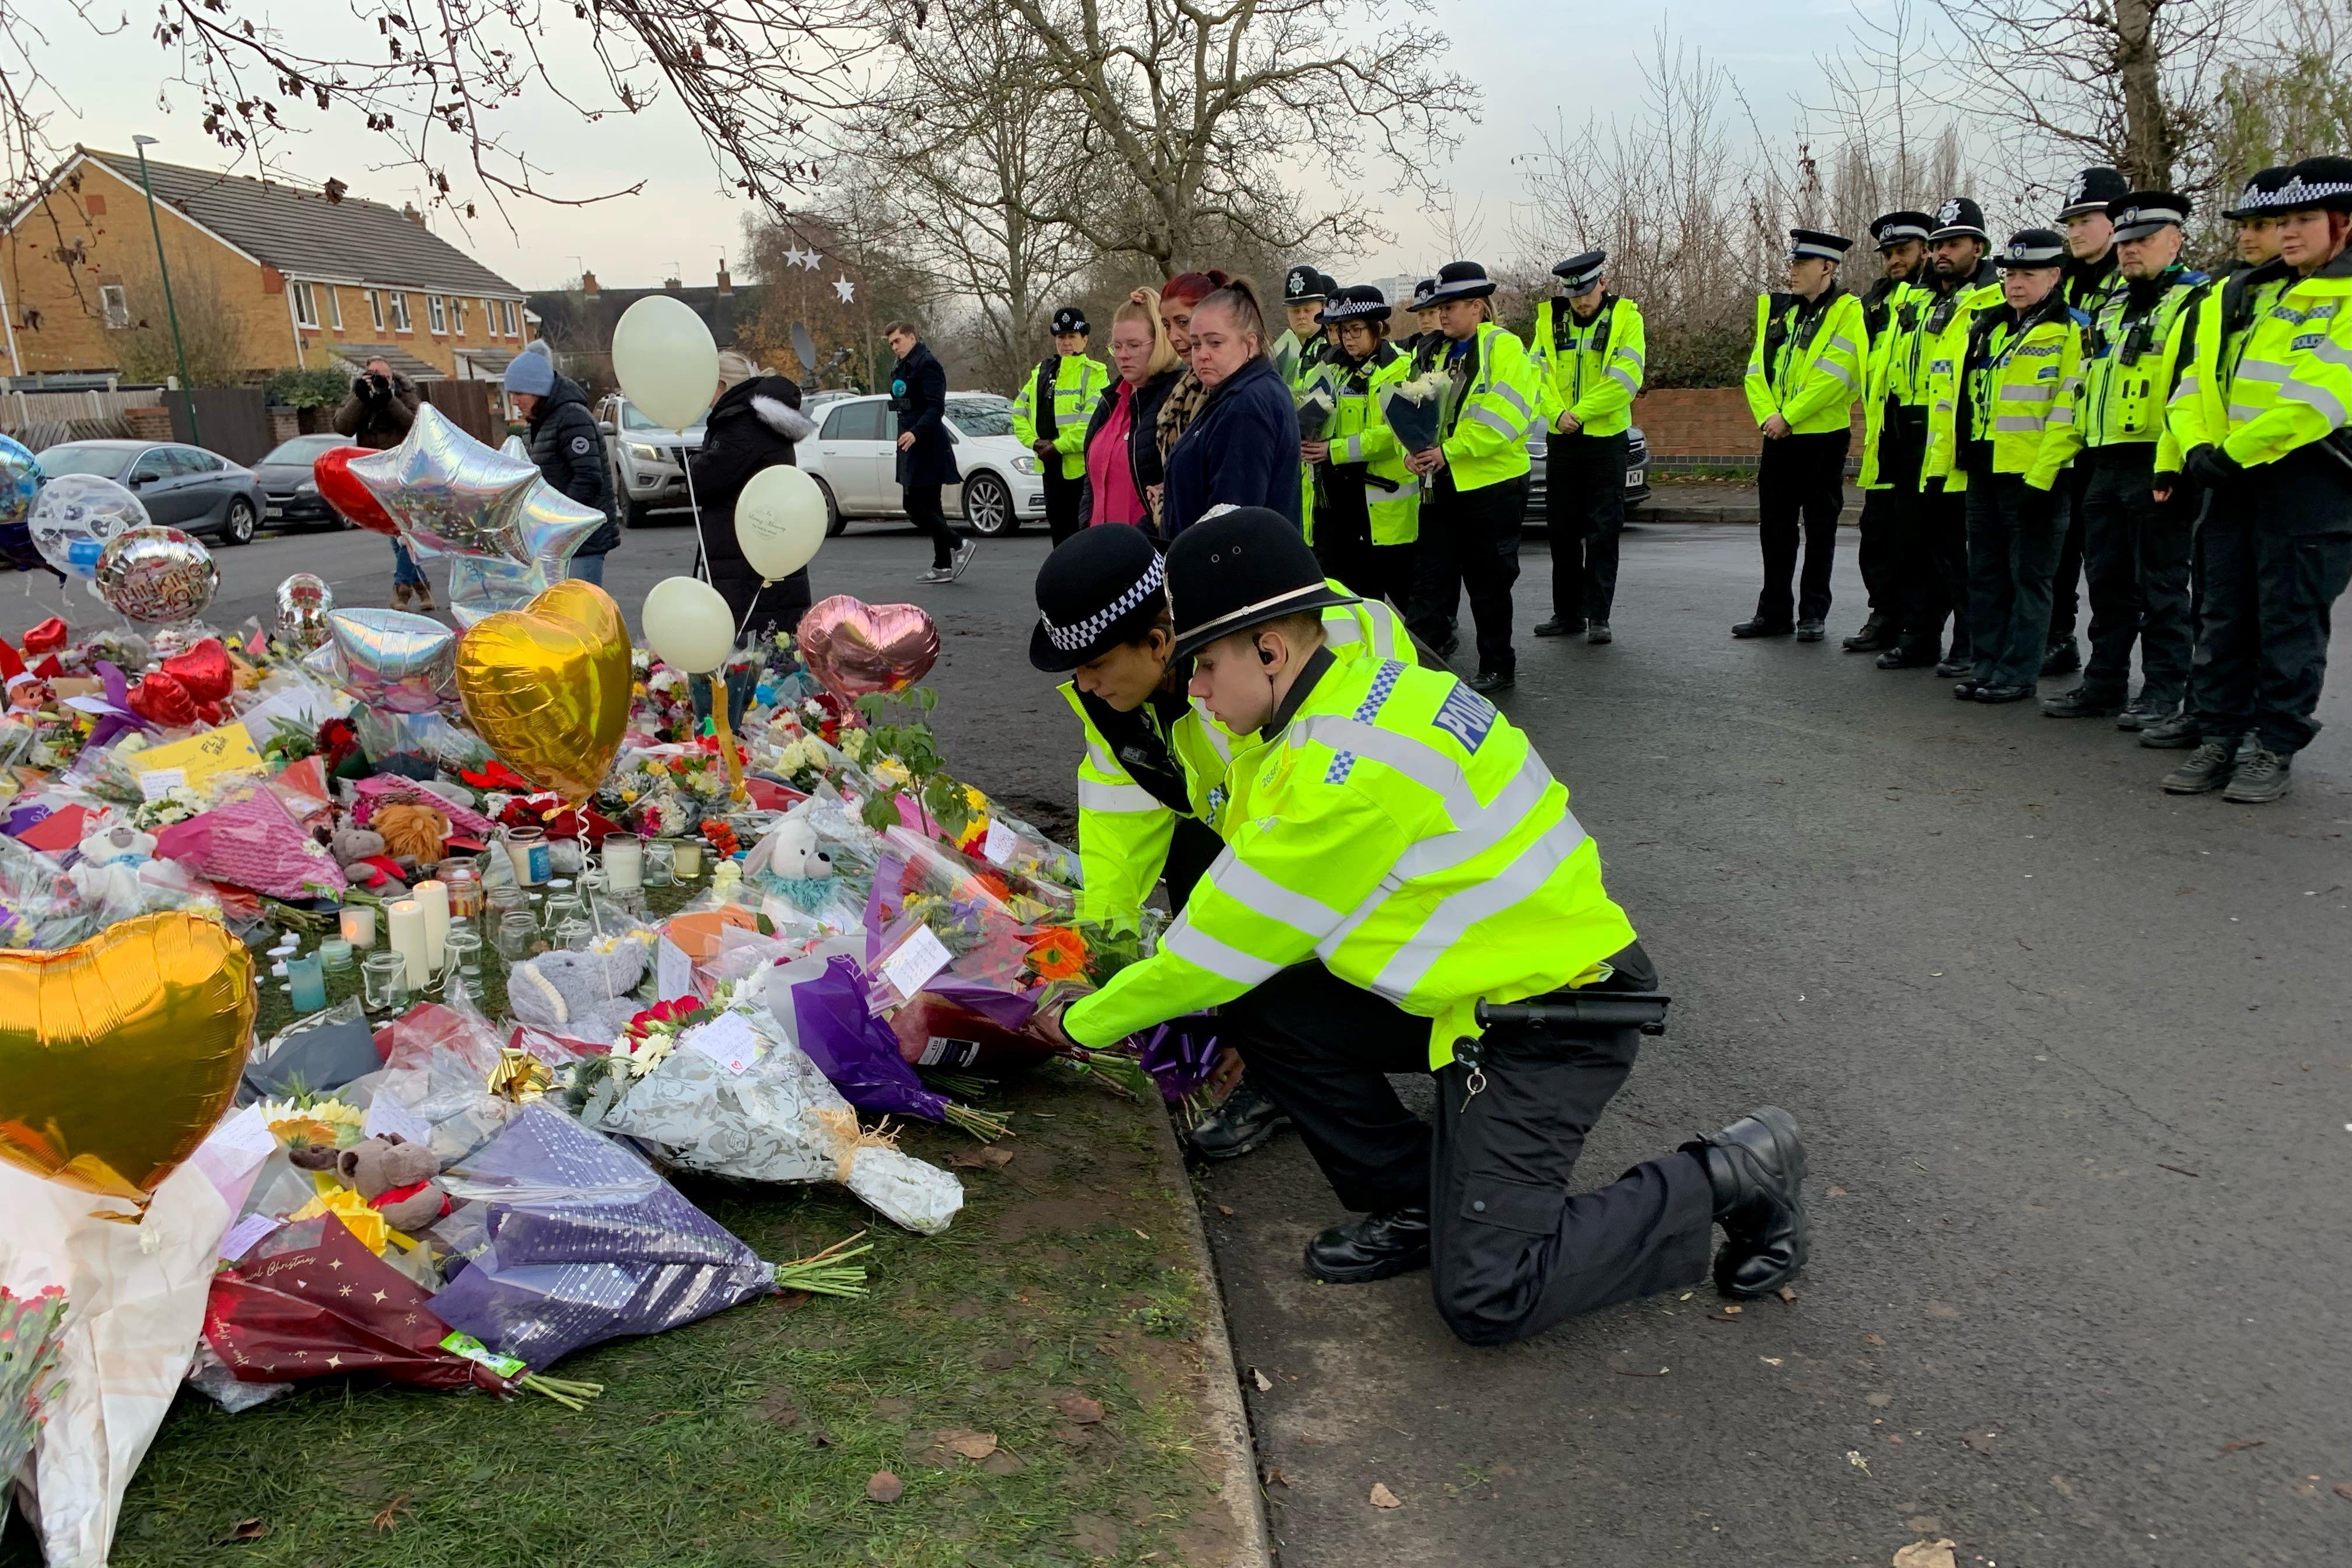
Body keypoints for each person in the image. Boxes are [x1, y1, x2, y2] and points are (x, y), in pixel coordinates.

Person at [1036, 507, 1812, 1346]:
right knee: (1267, 1005)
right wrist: (1099, 950)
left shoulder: (1341, 771)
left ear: (1268, 648)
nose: (1193, 690)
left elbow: (1217, 947)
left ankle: (1735, 1171)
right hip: (1475, 989)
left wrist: (1077, 1020)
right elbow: (1209, 886)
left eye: (1204, 665)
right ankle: (1419, 1198)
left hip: (1547, 1016)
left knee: (1488, 1296)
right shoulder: (1327, 702)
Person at [1029, 519, 1417, 1160]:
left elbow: (1294, 874)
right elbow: (1115, 835)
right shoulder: (1121, 701)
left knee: (1278, 995)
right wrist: (1094, 959)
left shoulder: (1306, 661)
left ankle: (1287, 1064)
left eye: (1096, 665)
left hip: (1378, 854)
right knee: (1202, 880)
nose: (1087, 685)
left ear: (1160, 643)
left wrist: (1233, 994)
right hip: (1260, 828)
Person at [2157, 155, 2352, 804]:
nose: (2289, 231)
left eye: (2305, 219)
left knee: (2289, 622)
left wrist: (2233, 453)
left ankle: (2273, 744)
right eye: (2283, 219)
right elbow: (2193, 380)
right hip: (2230, 477)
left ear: (2344, 224)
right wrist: (2197, 447)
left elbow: (2317, 398)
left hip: (2310, 483)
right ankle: (2220, 735)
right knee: (2224, 615)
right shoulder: (2240, 292)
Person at [2138, 166, 2297, 750]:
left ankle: (2258, 728)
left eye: (2266, 225)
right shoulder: (2222, 295)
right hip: (2214, 472)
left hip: (2283, 474)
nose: (2249, 237)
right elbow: (2189, 386)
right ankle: (2207, 713)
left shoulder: (2310, 298)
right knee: (2214, 603)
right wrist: (2179, 458)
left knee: (2273, 615)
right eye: (2245, 225)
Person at [2040, 192, 2207, 727]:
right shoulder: (2112, 306)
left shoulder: (2196, 300)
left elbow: (2194, 390)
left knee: (2160, 585)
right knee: (2107, 583)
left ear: (2175, 241)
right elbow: (2087, 383)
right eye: (2126, 241)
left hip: (2159, 460)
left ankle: (2162, 690)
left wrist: (2175, 463)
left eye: (2144, 241)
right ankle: (2104, 682)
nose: (2131, 251)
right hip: (2103, 460)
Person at [1922, 229, 2084, 704]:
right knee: (1986, 577)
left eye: (2028, 274)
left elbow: (2068, 412)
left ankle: (2018, 673)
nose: (2016, 283)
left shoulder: (2071, 330)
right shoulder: (1987, 327)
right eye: (2011, 273)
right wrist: (1944, 467)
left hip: (2035, 477)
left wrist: (2042, 478)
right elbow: (1959, 402)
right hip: (1983, 471)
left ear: (2054, 276)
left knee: (2029, 580)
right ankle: (1986, 665)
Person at [1401, 261, 1539, 693]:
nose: (1442, 315)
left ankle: (1498, 667)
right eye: (1439, 307)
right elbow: (1412, 408)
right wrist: (1413, 450)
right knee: (1432, 581)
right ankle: (1426, 670)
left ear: (1478, 307)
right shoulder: (1434, 351)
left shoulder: (1504, 348)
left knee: (1489, 584)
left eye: (1451, 306)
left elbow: (1504, 419)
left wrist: (1447, 452)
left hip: (1491, 487)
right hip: (1443, 482)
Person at [1887, 198, 2001, 677]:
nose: (1942, 254)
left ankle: (1969, 640)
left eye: (1953, 244)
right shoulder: (1915, 297)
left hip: (1954, 437)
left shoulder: (1991, 299)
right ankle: (1919, 635)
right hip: (1908, 434)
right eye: (1936, 246)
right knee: (1914, 545)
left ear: (1979, 246)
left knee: (1959, 550)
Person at [1738, 229, 1868, 642]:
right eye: (1791, 264)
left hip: (1822, 439)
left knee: (1820, 527)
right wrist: (1769, 417)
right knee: (1775, 529)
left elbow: (1837, 375)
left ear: (1827, 267)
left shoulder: (1849, 312)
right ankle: (1773, 613)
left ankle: (1813, 613)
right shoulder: (1780, 311)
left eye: (1801, 265)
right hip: (1777, 436)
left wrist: (1788, 415)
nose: (1791, 272)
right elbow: (1756, 370)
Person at [1530, 250, 1646, 645]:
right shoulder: (1550, 320)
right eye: (1574, 293)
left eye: (1588, 291)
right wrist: (1555, 413)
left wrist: (1576, 413)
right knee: (1562, 532)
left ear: (1603, 283)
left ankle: (1599, 616)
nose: (1581, 300)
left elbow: (1625, 378)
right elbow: (1535, 376)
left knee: (1602, 530)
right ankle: (1567, 614)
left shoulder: (1626, 318)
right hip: (1561, 439)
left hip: (1603, 440)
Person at [2044, 166, 2133, 678]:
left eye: (2086, 219)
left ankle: (2113, 664)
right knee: (2058, 552)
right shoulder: (2062, 280)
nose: (2075, 231)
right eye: (2071, 221)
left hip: (2113, 443)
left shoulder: (2134, 279)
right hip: (2062, 438)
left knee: (2112, 567)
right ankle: (2058, 639)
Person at [1846, 212, 1934, 652]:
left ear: (1925, 250)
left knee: (1918, 537)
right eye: (1888, 254)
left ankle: (1919, 626)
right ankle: (1884, 614)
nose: (1895, 260)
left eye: (1903, 251)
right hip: (1883, 435)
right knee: (1876, 531)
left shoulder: (1935, 297)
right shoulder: (1874, 303)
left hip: (1925, 435)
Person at [692, 348, 819, 652]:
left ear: (723, 385)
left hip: (744, 556)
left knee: (753, 655)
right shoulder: (757, 421)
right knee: (775, 644)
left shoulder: (741, 425)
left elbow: (705, 480)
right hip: (762, 547)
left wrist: (694, 461)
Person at [1160, 277, 1303, 537]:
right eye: (1196, 343)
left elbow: (1232, 524)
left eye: (1215, 343)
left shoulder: (1246, 406)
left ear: (1249, 345)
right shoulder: (1236, 392)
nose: (1202, 354)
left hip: (1236, 572)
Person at [1306, 285, 1419, 605]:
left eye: (1356, 329)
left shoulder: (1401, 367)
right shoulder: (1330, 366)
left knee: (1402, 590)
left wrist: (1333, 449)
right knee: (1352, 594)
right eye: (1342, 330)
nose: (1348, 338)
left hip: (1383, 500)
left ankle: (1429, 649)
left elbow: (1394, 434)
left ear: (1378, 328)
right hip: (1338, 500)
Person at [503, 345, 618, 585]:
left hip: (582, 543)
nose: (514, 401)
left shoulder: (572, 418)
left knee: (579, 616)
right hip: (553, 542)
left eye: (519, 393)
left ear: (538, 390)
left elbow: (588, 477)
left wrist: (555, 520)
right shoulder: (533, 428)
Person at [1079, 290, 1182, 536]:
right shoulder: (1110, 401)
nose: (1123, 355)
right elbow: (1091, 484)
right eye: (1117, 346)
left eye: (1134, 345)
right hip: (1099, 551)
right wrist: (1084, 530)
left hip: (1147, 555)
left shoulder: (1178, 399)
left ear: (1160, 343)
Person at [334, 355, 431, 610]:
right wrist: (359, 399)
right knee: (393, 532)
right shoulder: (361, 398)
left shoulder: (406, 394)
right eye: (371, 375)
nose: (376, 380)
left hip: (406, 471)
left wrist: (388, 398)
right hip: (376, 473)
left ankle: (402, 588)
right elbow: (342, 426)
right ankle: (421, 585)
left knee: (406, 529)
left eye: (382, 376)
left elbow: (415, 425)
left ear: (391, 377)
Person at [1012, 307, 1111, 545]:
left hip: (1081, 471)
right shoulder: (1041, 374)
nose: (1066, 343)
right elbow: (1018, 413)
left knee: (1083, 538)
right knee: (1059, 537)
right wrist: (1033, 442)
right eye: (1061, 337)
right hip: (1050, 469)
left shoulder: (1095, 374)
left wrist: (1056, 447)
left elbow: (1089, 424)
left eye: (1072, 337)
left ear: (1084, 340)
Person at [883, 321, 972, 584]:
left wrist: (916, 432)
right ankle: (942, 564)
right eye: (891, 344)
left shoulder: (928, 364)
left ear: (911, 338)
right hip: (909, 443)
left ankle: (960, 545)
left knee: (913, 505)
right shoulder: (901, 366)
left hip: (927, 444)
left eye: (898, 341)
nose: (894, 348)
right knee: (931, 506)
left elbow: (936, 408)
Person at [1153, 269, 1233, 482]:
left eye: (1183, 322)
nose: (1173, 337)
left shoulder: (1232, 389)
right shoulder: (1188, 385)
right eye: (1167, 326)